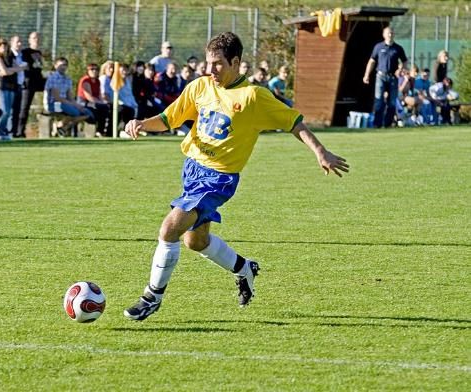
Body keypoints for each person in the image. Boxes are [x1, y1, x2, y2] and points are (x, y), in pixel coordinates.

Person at [122, 32, 349, 321]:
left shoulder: (254, 97)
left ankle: (152, 297)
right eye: (208, 63)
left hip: (218, 179)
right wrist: (142, 123)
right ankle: (244, 268)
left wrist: (321, 151)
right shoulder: (199, 87)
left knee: (169, 229)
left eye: (217, 64)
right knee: (196, 241)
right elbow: (169, 119)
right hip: (191, 171)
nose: (211, 70)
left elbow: (294, 122)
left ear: (236, 62)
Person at [363, 26, 408, 128]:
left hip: (393, 78)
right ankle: (377, 124)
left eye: (392, 33)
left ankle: (388, 124)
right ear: (384, 35)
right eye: (388, 33)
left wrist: (401, 70)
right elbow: (372, 61)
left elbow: (405, 61)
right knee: (378, 101)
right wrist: (366, 75)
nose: (390, 35)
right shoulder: (378, 47)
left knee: (392, 102)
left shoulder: (398, 48)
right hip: (381, 76)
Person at [44, 57, 92, 135]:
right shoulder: (53, 78)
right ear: (55, 66)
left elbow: (69, 96)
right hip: (53, 104)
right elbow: (57, 98)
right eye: (61, 65)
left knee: (87, 113)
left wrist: (77, 105)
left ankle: (62, 126)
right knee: (75, 113)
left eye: (65, 65)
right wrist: (72, 105)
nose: (63, 67)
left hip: (65, 103)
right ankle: (60, 126)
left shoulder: (67, 79)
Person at [0, 38, 27, 140]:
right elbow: (5, 71)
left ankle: (3, 131)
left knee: (9, 111)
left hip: (11, 86)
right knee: (4, 110)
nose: (4, 48)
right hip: (1, 87)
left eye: (5, 46)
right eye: (1, 46)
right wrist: (14, 69)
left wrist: (11, 70)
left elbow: (16, 69)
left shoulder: (11, 58)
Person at [19, 31, 46, 138]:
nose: (36, 40)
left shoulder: (39, 53)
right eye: (34, 38)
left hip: (38, 82)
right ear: (29, 40)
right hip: (28, 83)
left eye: (38, 38)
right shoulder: (25, 52)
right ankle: (20, 131)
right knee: (24, 107)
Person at [77, 63, 111, 137]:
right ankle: (98, 131)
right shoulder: (85, 80)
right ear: (88, 71)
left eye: (96, 69)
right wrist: (100, 102)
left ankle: (101, 131)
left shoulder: (97, 81)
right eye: (92, 69)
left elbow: (99, 95)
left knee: (106, 107)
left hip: (94, 101)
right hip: (84, 102)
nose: (94, 71)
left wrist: (103, 102)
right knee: (101, 108)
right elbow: (88, 96)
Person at [9, 35, 27, 138]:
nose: (19, 44)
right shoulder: (10, 55)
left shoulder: (22, 55)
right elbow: (12, 69)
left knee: (17, 110)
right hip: (11, 85)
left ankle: (15, 132)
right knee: (10, 110)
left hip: (21, 85)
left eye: (21, 42)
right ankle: (9, 130)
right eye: (17, 42)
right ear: (12, 43)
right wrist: (21, 67)